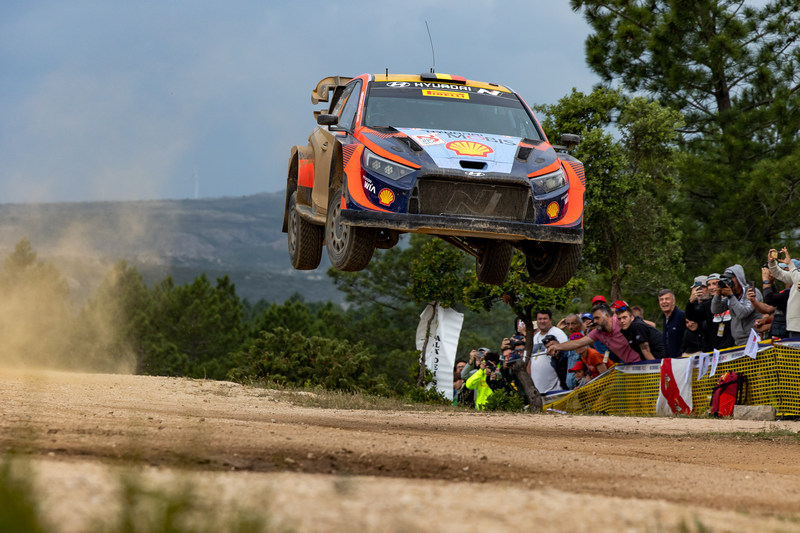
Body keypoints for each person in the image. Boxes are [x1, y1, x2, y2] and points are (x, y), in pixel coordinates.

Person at [546, 304, 642, 364]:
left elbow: (646, 326)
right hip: (629, 367)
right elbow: (577, 343)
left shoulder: (620, 321)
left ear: (607, 316)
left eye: (597, 318)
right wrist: (556, 347)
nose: (594, 321)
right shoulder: (598, 332)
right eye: (594, 318)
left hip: (646, 363)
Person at [710, 264, 763, 345]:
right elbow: (715, 310)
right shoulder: (731, 296)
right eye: (726, 279)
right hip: (738, 342)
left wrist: (731, 296)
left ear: (739, 278)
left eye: (730, 278)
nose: (728, 281)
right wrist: (718, 294)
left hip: (754, 340)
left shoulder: (752, 292)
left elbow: (743, 313)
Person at [686, 273, 734, 350]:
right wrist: (690, 302)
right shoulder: (707, 305)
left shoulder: (732, 299)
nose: (711, 287)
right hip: (716, 350)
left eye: (714, 284)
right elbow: (693, 317)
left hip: (734, 347)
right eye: (709, 285)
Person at [768, 248, 800, 337]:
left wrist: (790, 264)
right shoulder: (796, 274)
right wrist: (772, 263)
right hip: (794, 326)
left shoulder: (796, 275)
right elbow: (778, 274)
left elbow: (798, 280)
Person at [659, 289, 686, 358]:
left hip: (683, 361)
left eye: (667, 299)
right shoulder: (665, 320)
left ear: (673, 301)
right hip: (670, 362)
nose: (664, 302)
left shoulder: (682, 316)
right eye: (661, 300)